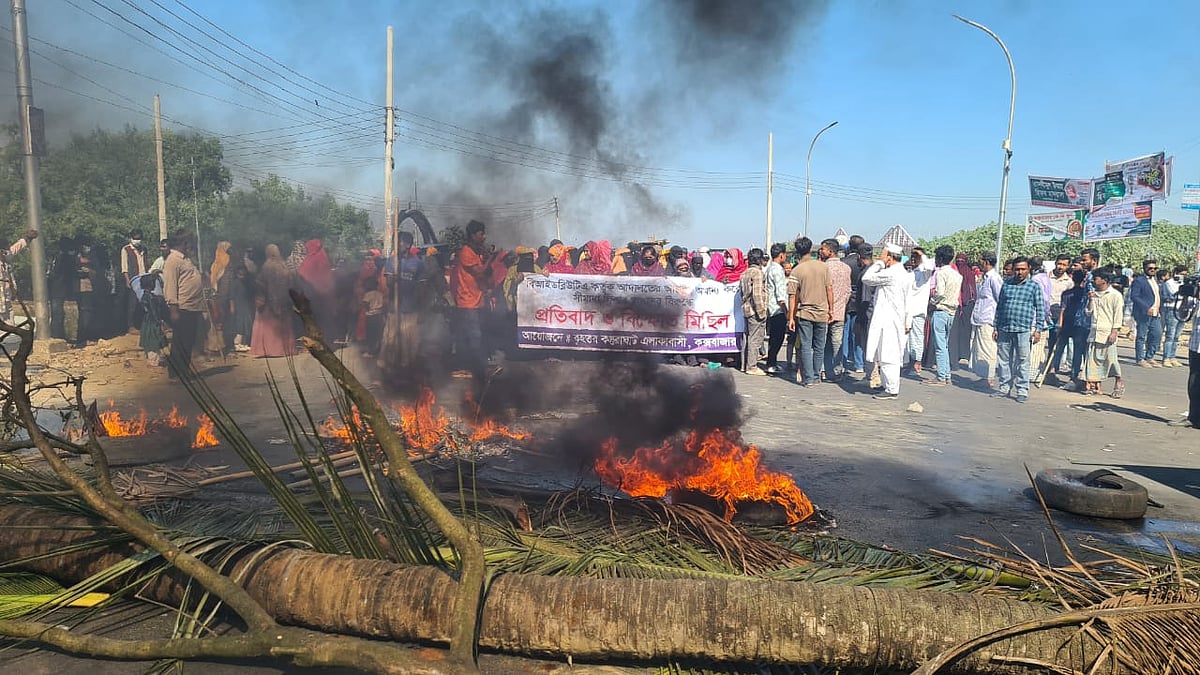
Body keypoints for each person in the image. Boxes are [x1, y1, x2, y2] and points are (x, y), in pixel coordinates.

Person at [861, 243, 912, 399]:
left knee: (889, 354)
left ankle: (891, 388)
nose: (880, 257)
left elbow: (866, 278)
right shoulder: (904, 273)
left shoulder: (891, 273)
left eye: (882, 255)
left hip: (889, 320)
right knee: (884, 353)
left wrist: (878, 264)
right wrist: (907, 321)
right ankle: (886, 385)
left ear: (889, 257)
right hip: (894, 318)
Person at [991, 256, 1044, 403]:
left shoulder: (1033, 287)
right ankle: (1004, 387)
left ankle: (1022, 389)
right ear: (1013, 270)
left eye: (1023, 269)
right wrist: (996, 327)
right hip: (1005, 328)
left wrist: (1038, 329)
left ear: (1029, 270)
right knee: (1003, 360)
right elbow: (1000, 307)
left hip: (1023, 329)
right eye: (1017, 269)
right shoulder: (1006, 284)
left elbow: (1040, 309)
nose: (1019, 272)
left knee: (1023, 360)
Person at [452, 220, 496, 379]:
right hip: (467, 301)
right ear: (473, 235)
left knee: (475, 335)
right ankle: (476, 369)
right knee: (474, 335)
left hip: (478, 300)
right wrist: (492, 258)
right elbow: (480, 273)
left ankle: (471, 367)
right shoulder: (466, 252)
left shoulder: (476, 251)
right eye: (481, 234)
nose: (484, 237)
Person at [787, 237, 833, 388]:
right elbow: (829, 289)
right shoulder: (823, 267)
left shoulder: (796, 270)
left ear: (797, 251)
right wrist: (831, 309)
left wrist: (791, 318)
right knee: (819, 346)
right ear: (811, 248)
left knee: (806, 346)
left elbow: (792, 296)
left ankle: (808, 379)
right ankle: (816, 375)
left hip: (805, 313)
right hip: (822, 312)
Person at [161, 230, 205, 377]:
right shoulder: (172, 260)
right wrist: (173, 310)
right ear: (184, 243)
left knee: (188, 342)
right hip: (182, 308)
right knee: (180, 343)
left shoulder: (185, 259)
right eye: (189, 242)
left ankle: (183, 371)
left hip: (193, 307)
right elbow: (170, 286)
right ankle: (175, 374)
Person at [1084, 268, 1125, 397]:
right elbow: (1088, 312)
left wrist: (1114, 332)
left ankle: (1118, 382)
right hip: (1095, 331)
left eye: (1096, 278)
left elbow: (1118, 315)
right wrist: (1090, 300)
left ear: (1104, 280)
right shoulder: (1093, 294)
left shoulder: (1115, 295)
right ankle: (1094, 385)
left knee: (1111, 361)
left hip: (1108, 333)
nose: (1093, 281)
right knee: (1093, 361)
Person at [251, 244, 297, 358]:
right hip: (284, 300)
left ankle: (270, 350)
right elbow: (291, 283)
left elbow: (262, 284)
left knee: (268, 326)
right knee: (283, 324)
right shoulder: (284, 266)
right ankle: (285, 349)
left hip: (268, 301)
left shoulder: (267, 267)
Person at [925, 245, 962, 386]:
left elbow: (939, 292)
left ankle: (941, 377)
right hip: (952, 311)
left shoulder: (941, 273)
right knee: (944, 344)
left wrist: (932, 302)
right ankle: (946, 375)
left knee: (939, 345)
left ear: (940, 258)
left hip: (940, 311)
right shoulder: (957, 275)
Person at [818, 238, 850, 382]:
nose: (821, 251)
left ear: (830, 251)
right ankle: (838, 371)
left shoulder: (823, 268)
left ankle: (823, 369)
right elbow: (848, 291)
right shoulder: (846, 268)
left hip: (823, 312)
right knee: (837, 343)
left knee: (823, 343)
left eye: (823, 249)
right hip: (840, 312)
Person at [970, 252, 1003, 386]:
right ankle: (984, 377)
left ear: (986, 262)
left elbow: (1000, 299)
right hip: (980, 317)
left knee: (988, 348)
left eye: (980, 261)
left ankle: (989, 378)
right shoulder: (985, 278)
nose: (979, 263)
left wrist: (997, 323)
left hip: (988, 319)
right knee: (980, 349)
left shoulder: (994, 278)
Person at [841, 235, 869, 374]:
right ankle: (859, 364)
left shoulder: (843, 262)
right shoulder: (866, 265)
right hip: (860, 302)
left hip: (847, 302)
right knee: (857, 335)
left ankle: (844, 362)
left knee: (844, 334)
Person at [903, 247, 932, 377]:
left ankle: (916, 364)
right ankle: (908, 363)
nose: (913, 259)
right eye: (912, 256)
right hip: (907, 311)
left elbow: (930, 266)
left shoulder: (925, 273)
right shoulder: (911, 273)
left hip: (918, 312)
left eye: (916, 257)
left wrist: (922, 255)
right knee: (906, 340)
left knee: (916, 339)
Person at [739, 248, 768, 375]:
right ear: (760, 259)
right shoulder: (757, 273)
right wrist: (761, 312)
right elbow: (757, 294)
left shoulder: (744, 273)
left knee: (747, 338)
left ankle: (744, 365)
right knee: (755, 339)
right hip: (755, 311)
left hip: (746, 309)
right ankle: (752, 366)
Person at [1130, 259, 1164, 367]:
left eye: (1155, 268)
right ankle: (1140, 359)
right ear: (1144, 268)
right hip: (1144, 313)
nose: (1153, 270)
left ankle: (1150, 356)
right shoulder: (1139, 281)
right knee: (1141, 336)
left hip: (1156, 313)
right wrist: (1146, 307)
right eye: (1150, 268)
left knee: (1157, 334)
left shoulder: (1156, 281)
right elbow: (1134, 296)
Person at [0, 229, 38, 324]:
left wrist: (28, 238)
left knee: (9, 326)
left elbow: (17, 247)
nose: (7, 252)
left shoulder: (6, 257)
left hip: (6, 299)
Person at [764, 243, 789, 374]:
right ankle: (771, 363)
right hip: (778, 309)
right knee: (777, 338)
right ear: (781, 255)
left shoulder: (768, 268)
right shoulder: (778, 270)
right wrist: (787, 312)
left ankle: (771, 362)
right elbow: (780, 294)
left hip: (771, 307)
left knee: (773, 337)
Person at [132, 272, 167, 367]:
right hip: (152, 322)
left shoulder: (143, 296)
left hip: (146, 321)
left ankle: (152, 358)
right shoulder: (151, 298)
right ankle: (153, 361)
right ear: (151, 284)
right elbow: (153, 311)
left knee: (149, 340)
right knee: (153, 340)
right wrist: (159, 321)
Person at [47, 237, 79, 340]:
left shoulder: (55, 256)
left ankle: (58, 335)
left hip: (55, 287)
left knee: (58, 313)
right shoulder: (64, 258)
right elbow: (70, 272)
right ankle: (57, 336)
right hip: (59, 287)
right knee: (58, 314)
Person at [119, 230, 148, 334]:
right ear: (130, 238)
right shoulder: (126, 249)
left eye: (139, 238)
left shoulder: (143, 250)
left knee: (143, 302)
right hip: (133, 279)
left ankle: (141, 324)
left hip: (144, 278)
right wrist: (127, 280)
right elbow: (124, 267)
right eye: (135, 238)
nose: (137, 240)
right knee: (132, 303)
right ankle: (130, 326)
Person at [1160, 266, 1188, 368]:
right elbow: (1175, 295)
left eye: (1185, 275)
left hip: (1184, 310)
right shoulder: (1169, 283)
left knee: (1177, 336)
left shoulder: (1185, 283)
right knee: (1170, 335)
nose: (1183, 276)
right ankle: (1166, 358)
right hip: (1172, 310)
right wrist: (1184, 290)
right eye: (1182, 274)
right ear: (1176, 273)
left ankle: (1172, 356)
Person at [230, 248, 256, 353]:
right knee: (239, 325)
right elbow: (231, 297)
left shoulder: (247, 283)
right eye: (240, 273)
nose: (242, 275)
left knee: (247, 324)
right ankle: (237, 344)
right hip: (239, 307)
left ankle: (244, 343)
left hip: (246, 307)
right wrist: (232, 307)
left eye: (243, 273)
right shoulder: (235, 283)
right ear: (236, 273)